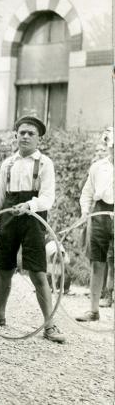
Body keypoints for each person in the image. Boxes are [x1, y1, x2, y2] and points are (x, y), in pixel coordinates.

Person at [0, 115, 65, 344]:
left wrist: (29, 205)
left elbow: (47, 198)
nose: (25, 136)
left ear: (39, 139)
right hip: (8, 218)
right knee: (5, 268)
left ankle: (49, 325)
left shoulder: (44, 163)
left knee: (37, 271)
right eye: (21, 132)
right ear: (16, 135)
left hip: (33, 219)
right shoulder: (8, 164)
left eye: (30, 133)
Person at [75, 126, 114, 322]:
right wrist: (85, 212)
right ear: (108, 146)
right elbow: (87, 193)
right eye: (112, 146)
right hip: (99, 214)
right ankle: (93, 310)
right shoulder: (98, 167)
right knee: (97, 262)